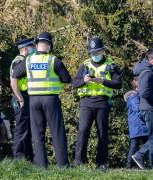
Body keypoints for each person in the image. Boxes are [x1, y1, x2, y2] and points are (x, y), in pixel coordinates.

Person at [11, 32, 71, 168]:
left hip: (33, 101)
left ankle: (41, 167)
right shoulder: (53, 60)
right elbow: (67, 79)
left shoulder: (27, 60)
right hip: (50, 99)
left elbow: (14, 78)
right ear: (49, 45)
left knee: (37, 136)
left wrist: (20, 98)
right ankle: (63, 166)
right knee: (57, 132)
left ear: (37, 45)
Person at [73, 37, 122, 170]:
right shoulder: (85, 65)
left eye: (97, 52)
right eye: (93, 53)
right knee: (83, 131)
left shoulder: (111, 65)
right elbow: (74, 84)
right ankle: (79, 162)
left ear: (103, 51)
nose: (95, 55)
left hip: (102, 102)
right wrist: (84, 80)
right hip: (86, 102)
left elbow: (118, 84)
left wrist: (103, 81)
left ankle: (101, 163)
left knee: (102, 133)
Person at [10, 37, 36, 161]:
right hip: (21, 97)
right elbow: (13, 82)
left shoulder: (22, 60)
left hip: (25, 97)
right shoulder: (20, 61)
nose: (34, 49)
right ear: (26, 49)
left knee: (27, 129)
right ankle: (18, 159)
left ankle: (28, 158)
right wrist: (20, 99)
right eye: (32, 47)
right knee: (21, 129)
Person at [133, 48, 153, 169]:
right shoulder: (147, 72)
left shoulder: (147, 70)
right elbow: (144, 93)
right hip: (149, 108)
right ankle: (139, 155)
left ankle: (150, 162)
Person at [124, 77, 148, 169]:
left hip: (137, 127)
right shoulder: (134, 98)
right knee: (145, 145)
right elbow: (139, 110)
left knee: (135, 146)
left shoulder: (135, 97)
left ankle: (130, 165)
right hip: (139, 126)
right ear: (137, 88)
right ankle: (129, 165)